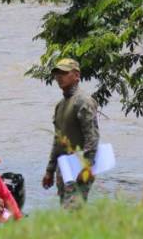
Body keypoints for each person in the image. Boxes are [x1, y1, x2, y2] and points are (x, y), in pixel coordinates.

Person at [42, 58, 100, 207]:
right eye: (57, 73)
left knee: (73, 212)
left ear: (76, 75)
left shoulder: (83, 101)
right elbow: (58, 140)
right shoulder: (60, 105)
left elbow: (92, 137)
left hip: (79, 165)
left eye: (64, 73)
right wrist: (50, 170)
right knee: (66, 212)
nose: (59, 77)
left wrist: (87, 166)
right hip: (64, 166)